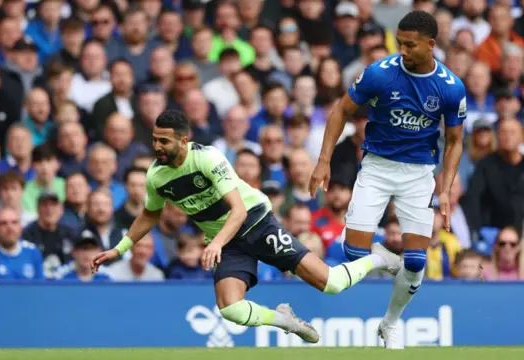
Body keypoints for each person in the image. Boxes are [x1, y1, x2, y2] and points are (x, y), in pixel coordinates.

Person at [92, 109, 401, 344]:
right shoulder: (156, 176)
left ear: (183, 140)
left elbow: (238, 210)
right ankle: (284, 320)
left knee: (331, 283)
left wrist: (214, 243)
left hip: (255, 222)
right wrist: (118, 249)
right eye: (154, 139)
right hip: (225, 240)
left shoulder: (207, 158)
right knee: (231, 309)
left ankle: (378, 257)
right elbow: (149, 215)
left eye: (164, 140)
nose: (156, 145)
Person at [308, 11, 467, 349]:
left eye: (410, 44)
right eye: (399, 42)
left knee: (415, 262)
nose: (402, 50)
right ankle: (383, 258)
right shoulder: (379, 74)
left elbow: (454, 141)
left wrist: (447, 187)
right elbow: (340, 111)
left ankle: (391, 323)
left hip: (419, 174)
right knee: (353, 253)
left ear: (430, 44)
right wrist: (323, 161)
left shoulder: (451, 87)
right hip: (377, 168)